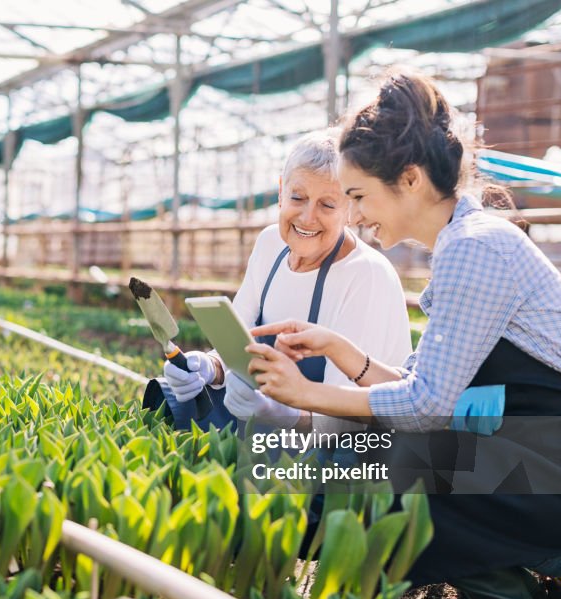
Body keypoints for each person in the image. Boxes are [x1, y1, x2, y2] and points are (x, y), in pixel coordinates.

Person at [246, 70, 561, 599]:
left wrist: (309, 395)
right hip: (542, 475)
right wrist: (343, 353)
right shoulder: (464, 242)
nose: (351, 215)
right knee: (353, 459)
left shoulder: (476, 248)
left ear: (409, 179)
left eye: (355, 196)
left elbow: (426, 408)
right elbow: (434, 391)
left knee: (345, 465)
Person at [158, 129, 412, 432]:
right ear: (281, 191)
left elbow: (348, 422)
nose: (307, 217)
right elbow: (237, 341)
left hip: (350, 443)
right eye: (298, 197)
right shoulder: (270, 244)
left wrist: (285, 416)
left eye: (327, 205)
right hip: (275, 420)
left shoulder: (366, 275)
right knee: (170, 401)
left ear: (348, 209)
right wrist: (208, 367)